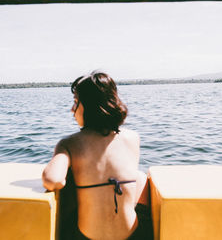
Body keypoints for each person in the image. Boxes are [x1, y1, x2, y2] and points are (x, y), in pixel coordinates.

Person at [42, 71, 153, 240]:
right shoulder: (133, 138)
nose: (72, 109)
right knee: (141, 178)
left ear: (88, 105)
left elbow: (53, 180)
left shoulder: (70, 144)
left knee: (71, 184)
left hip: (87, 237)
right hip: (134, 235)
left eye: (76, 102)